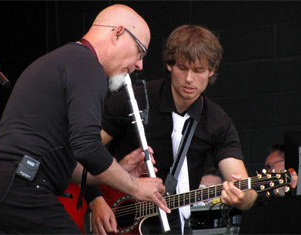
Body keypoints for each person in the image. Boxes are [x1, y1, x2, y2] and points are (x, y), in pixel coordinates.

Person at [0, 4, 170, 234]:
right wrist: (135, 187)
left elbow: (66, 168)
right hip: (19, 185)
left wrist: (121, 171)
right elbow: (87, 147)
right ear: (118, 32)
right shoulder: (86, 65)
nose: (140, 65)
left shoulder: (68, 60)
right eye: (140, 51)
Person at [84, 24, 258, 234]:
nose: (189, 79)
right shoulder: (133, 100)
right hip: (114, 214)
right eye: (183, 68)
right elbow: (83, 150)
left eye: (199, 70)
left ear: (211, 70)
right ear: (169, 64)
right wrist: (95, 200)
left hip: (177, 226)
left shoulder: (217, 122)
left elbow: (243, 184)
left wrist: (244, 197)